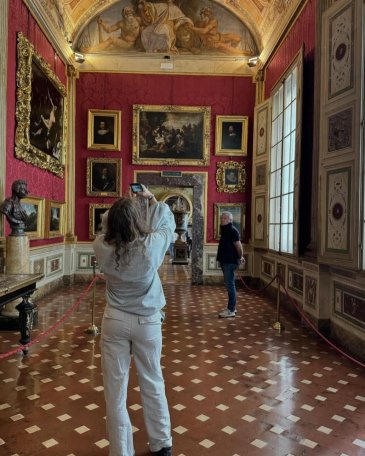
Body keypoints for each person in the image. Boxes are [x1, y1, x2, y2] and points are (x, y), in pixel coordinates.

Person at [93, 185, 175, 456]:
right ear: (136, 221)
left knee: (114, 392)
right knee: (153, 381)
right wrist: (148, 199)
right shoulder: (151, 247)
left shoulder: (101, 247)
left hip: (114, 320)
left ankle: (120, 451)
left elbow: (106, 221)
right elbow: (166, 219)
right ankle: (161, 444)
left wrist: (121, 209)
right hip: (147, 322)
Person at [216, 211, 244, 318]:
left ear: (230, 220)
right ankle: (232, 307)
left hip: (230, 262)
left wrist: (240, 257)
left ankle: (231, 310)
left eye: (225, 218)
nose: (222, 220)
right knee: (229, 285)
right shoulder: (225, 230)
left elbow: (239, 247)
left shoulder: (233, 231)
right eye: (222, 218)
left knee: (230, 285)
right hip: (225, 261)